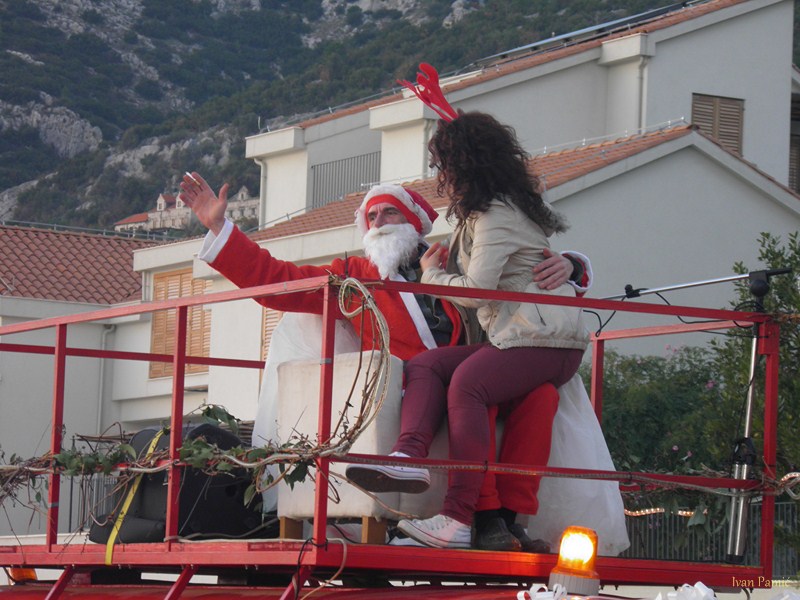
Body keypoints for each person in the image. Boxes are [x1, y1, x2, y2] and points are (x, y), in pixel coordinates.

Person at [178, 174, 589, 551]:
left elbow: (516, 260)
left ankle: (511, 519)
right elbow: (279, 281)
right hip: (414, 387)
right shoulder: (355, 277)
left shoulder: (452, 262)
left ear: (413, 222)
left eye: (389, 212)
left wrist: (573, 264)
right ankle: (486, 520)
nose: (378, 222)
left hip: (477, 369)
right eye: (371, 216)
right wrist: (221, 229)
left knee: (542, 395)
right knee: (476, 391)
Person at [345, 110, 590, 549]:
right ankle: (407, 457)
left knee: (467, 385)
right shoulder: (499, 208)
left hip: (540, 337)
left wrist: (431, 275)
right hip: (527, 335)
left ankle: (457, 518)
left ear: (464, 165)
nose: (443, 177)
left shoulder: (495, 212)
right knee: (429, 365)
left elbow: (477, 290)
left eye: (445, 166)